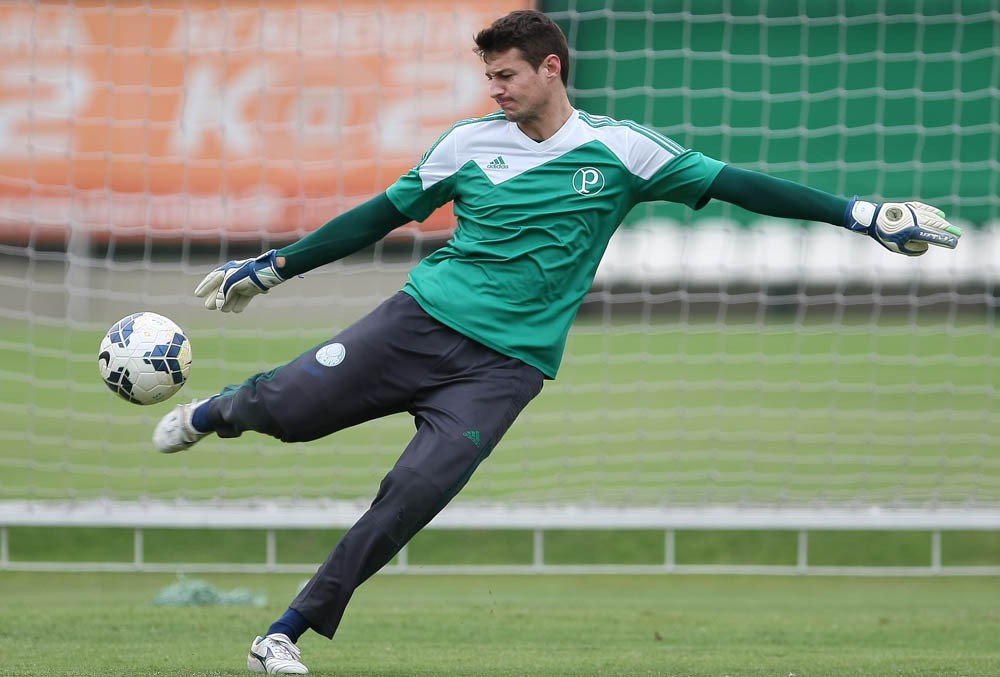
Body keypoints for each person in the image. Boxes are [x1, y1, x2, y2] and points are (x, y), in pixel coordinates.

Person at [153, 9, 962, 674]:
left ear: (551, 68)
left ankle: (282, 634)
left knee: (409, 498)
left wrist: (860, 214)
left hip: (503, 371)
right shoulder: (466, 144)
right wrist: (275, 267)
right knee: (291, 412)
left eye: (506, 75)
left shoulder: (622, 149)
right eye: (489, 77)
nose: (495, 89)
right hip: (416, 326)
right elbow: (379, 216)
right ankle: (217, 411)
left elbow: (739, 185)